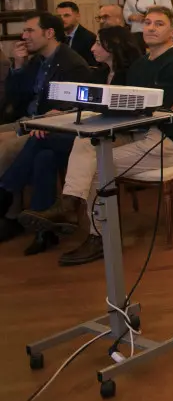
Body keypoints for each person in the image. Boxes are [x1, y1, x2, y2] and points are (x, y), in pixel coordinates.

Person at [52, 7, 173, 264]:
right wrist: (148, 105)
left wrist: (148, 105)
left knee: (99, 167)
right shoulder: (141, 64)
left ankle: (100, 237)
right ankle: (69, 204)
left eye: (159, 24)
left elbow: (152, 106)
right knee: (85, 141)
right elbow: (135, 104)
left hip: (168, 139)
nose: (151, 28)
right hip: (136, 130)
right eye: (147, 23)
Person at [0, 13, 93, 247]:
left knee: (13, 151)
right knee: (40, 155)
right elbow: (16, 99)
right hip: (30, 120)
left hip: (52, 127)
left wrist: (50, 118)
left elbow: (80, 106)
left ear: (49, 33)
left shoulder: (72, 63)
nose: (24, 36)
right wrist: (18, 66)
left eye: (30, 31)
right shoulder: (38, 60)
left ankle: (8, 208)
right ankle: (41, 228)